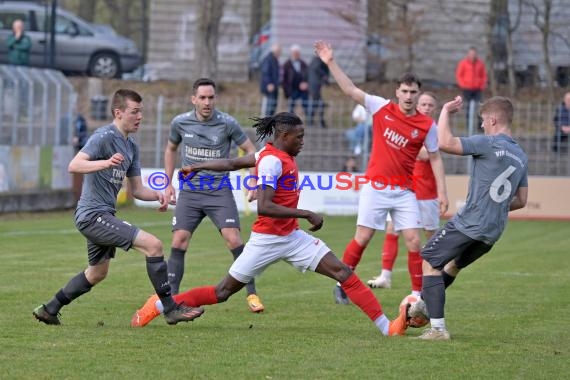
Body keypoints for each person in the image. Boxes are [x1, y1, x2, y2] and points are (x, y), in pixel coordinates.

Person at [130, 112, 413, 337]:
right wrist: (306, 213)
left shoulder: (269, 154)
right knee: (222, 292)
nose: (303, 141)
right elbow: (264, 206)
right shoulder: (271, 163)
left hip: (291, 237)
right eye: (299, 137)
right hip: (266, 240)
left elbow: (232, 162)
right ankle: (156, 305)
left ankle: (388, 328)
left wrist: (199, 166)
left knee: (342, 271)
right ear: (284, 135)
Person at [32, 89, 204, 326]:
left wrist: (159, 196)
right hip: (92, 215)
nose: (139, 117)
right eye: (134, 112)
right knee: (153, 246)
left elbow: (137, 190)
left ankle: (49, 309)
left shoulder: (131, 146)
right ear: (118, 113)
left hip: (102, 216)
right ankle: (170, 308)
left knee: (97, 273)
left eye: (141, 112)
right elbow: (74, 165)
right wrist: (105, 162)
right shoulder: (103, 136)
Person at [313, 40, 448, 305]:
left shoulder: (426, 125)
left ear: (418, 95)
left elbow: (435, 157)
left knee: (412, 241)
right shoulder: (380, 107)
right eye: (405, 91)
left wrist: (443, 192)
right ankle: (344, 283)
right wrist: (331, 62)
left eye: (413, 92)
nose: (409, 96)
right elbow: (350, 90)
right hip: (375, 186)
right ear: (397, 92)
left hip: (404, 191)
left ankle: (418, 296)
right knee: (362, 237)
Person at [419, 95, 528, 340]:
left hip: (471, 222)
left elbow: (444, 142)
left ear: (492, 120)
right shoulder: (521, 156)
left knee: (429, 261)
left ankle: (437, 329)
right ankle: (422, 306)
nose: (481, 126)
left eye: (482, 121)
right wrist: (494, 208)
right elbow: (521, 200)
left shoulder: (488, 143)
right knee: (453, 265)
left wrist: (445, 110)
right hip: (493, 231)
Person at [162, 78, 264, 313]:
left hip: (219, 190)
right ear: (193, 99)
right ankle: (172, 299)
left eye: (211, 97)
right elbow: (171, 148)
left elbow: (251, 151)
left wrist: (252, 180)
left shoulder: (227, 123)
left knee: (234, 239)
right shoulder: (180, 123)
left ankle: (252, 294)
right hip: (190, 192)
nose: (207, 102)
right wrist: (167, 184)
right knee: (179, 240)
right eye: (203, 98)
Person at [368, 92, 441, 293]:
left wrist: (403, 146)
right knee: (392, 230)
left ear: (434, 108)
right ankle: (385, 276)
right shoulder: (409, 125)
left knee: (430, 236)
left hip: (427, 193)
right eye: (423, 103)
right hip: (404, 190)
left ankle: (436, 275)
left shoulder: (429, 129)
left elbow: (428, 155)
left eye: (430, 105)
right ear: (417, 104)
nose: (426, 107)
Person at [455, 47, 487, 126]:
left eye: (474, 54)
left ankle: (480, 126)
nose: (472, 55)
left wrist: (482, 85)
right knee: (467, 107)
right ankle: (468, 125)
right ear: (468, 54)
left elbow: (484, 76)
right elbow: (459, 75)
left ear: (476, 54)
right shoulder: (463, 63)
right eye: (471, 54)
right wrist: (463, 85)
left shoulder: (480, 63)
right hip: (467, 89)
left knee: (480, 107)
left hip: (477, 89)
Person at [282, 44, 309, 117]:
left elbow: (308, 76)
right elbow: (283, 80)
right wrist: (287, 91)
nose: (296, 55)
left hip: (303, 90)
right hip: (292, 90)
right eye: (294, 53)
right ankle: (291, 120)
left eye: (297, 53)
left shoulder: (303, 64)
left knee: (306, 104)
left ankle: (310, 121)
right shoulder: (286, 65)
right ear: (291, 53)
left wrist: (306, 83)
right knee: (291, 106)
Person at [307, 55, 329, 128]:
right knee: (317, 104)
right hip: (314, 86)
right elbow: (317, 69)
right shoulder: (317, 60)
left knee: (316, 104)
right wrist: (324, 75)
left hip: (314, 86)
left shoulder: (314, 60)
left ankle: (313, 122)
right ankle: (316, 122)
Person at [260, 43, 281, 117]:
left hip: (274, 86)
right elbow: (265, 72)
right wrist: (269, 83)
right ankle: (266, 123)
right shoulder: (269, 59)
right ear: (275, 51)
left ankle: (269, 122)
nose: (280, 53)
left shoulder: (274, 59)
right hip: (270, 87)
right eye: (279, 51)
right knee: (269, 106)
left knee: (273, 106)